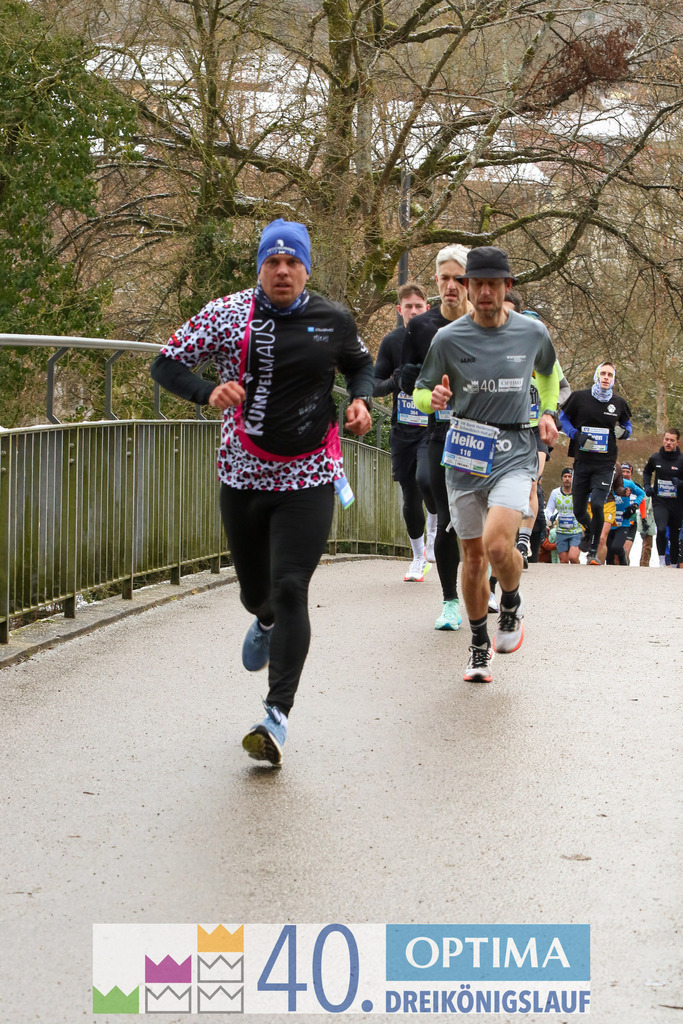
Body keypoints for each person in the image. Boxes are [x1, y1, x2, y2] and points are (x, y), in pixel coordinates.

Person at [150, 219, 373, 765]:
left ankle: (276, 716)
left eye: (292, 262)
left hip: (310, 475)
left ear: (306, 268)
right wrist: (206, 391)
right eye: (271, 262)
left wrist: (362, 401)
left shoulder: (332, 319)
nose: (281, 271)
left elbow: (361, 365)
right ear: (259, 268)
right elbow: (164, 362)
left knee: (292, 585)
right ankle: (264, 618)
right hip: (243, 474)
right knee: (258, 594)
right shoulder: (227, 315)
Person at [413, 246, 559, 683]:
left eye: (494, 284)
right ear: (467, 288)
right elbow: (421, 392)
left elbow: (549, 373)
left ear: (507, 286)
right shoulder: (448, 339)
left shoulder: (532, 333)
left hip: (514, 448)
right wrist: (433, 399)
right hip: (464, 452)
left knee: (499, 546)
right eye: (477, 284)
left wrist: (548, 412)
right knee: (473, 559)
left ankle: (510, 603)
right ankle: (479, 646)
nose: (485, 292)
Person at [400, 244, 473, 630]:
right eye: (444, 278)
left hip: (482, 435)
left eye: (458, 279)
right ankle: (449, 603)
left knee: (481, 521)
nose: (450, 286)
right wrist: (433, 396)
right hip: (441, 430)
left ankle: (489, 587)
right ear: (436, 281)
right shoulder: (421, 327)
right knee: (437, 501)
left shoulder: (488, 322)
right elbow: (414, 385)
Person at [373, 282, 436, 581]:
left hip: (433, 426)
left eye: (418, 306)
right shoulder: (392, 341)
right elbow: (373, 384)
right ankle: (418, 557)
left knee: (427, 480)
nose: (413, 311)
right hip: (404, 428)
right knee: (410, 495)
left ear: (428, 307)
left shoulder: (440, 337)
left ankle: (434, 527)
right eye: (407, 306)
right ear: (400, 310)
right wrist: (393, 384)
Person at [502, 293, 570, 567]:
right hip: (509, 427)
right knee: (508, 486)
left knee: (532, 482)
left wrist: (549, 409)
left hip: (536, 429)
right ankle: (507, 538)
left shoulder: (547, 358)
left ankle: (523, 540)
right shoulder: (507, 353)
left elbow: (564, 388)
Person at [559, 362, 632, 565]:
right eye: (603, 373)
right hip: (582, 460)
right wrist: (576, 435)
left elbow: (627, 425)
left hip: (606, 462)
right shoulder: (579, 397)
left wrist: (624, 432)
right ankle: (591, 530)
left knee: (599, 504)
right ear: (596, 376)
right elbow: (563, 417)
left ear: (613, 379)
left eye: (610, 374)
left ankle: (592, 551)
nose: (606, 377)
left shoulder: (618, 403)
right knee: (579, 511)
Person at [643, 428, 683, 568]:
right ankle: (661, 561)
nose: (668, 443)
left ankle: (672, 563)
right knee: (660, 529)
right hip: (660, 500)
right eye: (666, 439)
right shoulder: (655, 458)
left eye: (672, 440)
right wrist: (647, 486)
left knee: (674, 534)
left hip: (677, 503)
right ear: (663, 440)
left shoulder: (681, 460)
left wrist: (680, 483)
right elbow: (647, 472)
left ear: (677, 442)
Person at [546, 467, 582, 563]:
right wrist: (552, 517)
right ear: (562, 478)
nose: (567, 479)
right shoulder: (555, 493)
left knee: (573, 557)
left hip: (576, 531)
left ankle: (579, 575)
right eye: (565, 476)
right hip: (561, 531)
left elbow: (586, 508)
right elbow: (549, 509)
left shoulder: (579, 492)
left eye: (570, 477)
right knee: (563, 560)